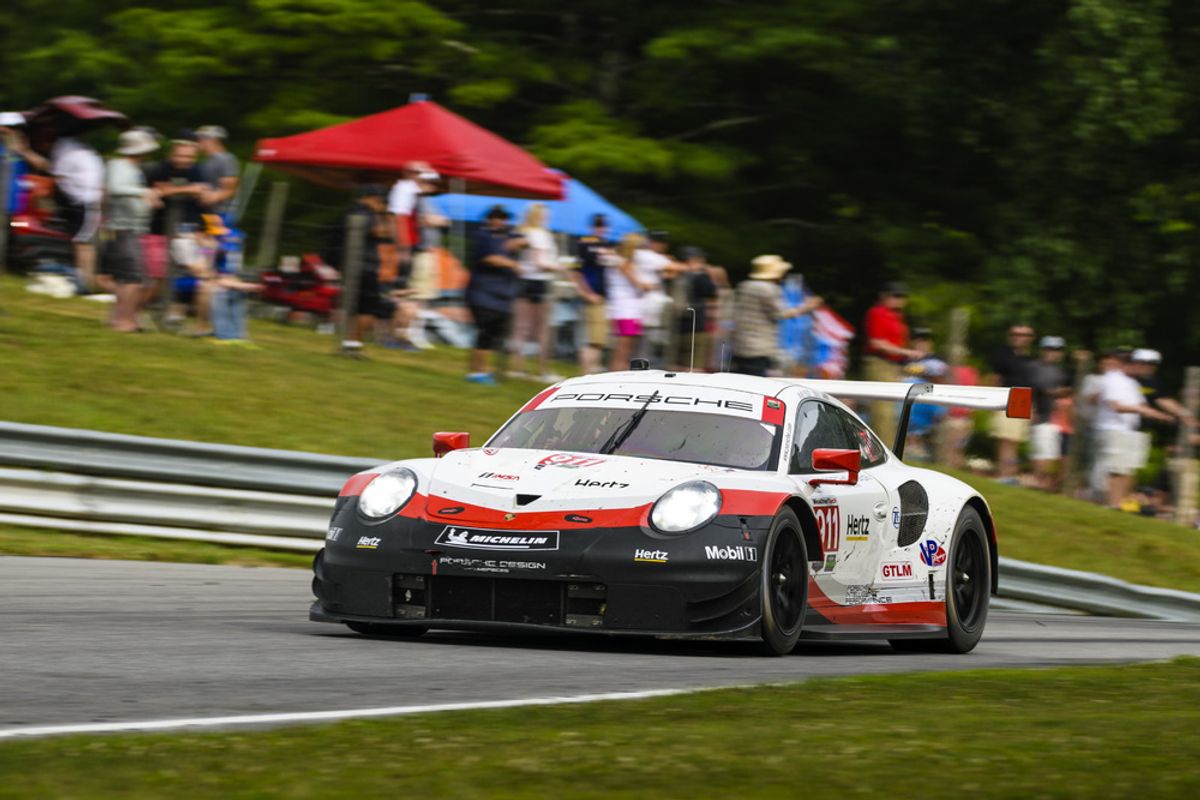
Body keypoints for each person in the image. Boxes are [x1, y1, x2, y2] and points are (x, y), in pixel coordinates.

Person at [11, 122, 104, 291]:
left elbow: (49, 170)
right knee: (81, 242)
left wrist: (25, 152)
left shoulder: (66, 150)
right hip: (79, 200)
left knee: (83, 243)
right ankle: (82, 281)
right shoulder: (73, 148)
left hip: (85, 201)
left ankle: (84, 284)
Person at [1095, 351, 1175, 508]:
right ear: (1130, 364)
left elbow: (1143, 405)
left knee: (1128, 469)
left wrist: (1162, 415)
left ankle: (1123, 504)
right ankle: (1113, 504)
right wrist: (1144, 410)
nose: (1144, 368)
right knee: (1117, 469)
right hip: (1115, 429)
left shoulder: (1133, 383)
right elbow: (1116, 406)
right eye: (1141, 364)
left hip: (1130, 430)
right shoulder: (1113, 379)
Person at [100, 129, 159, 332]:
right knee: (132, 279)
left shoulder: (132, 168)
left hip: (130, 229)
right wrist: (143, 192)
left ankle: (119, 319)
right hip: (124, 229)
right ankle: (123, 321)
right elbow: (116, 188)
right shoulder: (119, 165)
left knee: (127, 279)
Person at [730, 255, 822, 377]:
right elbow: (781, 313)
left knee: (741, 376)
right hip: (759, 347)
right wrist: (807, 307)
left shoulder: (744, 286)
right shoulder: (769, 289)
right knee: (756, 379)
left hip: (740, 343)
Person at [465, 205, 524, 384]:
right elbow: (488, 258)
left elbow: (525, 240)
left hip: (502, 296)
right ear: (489, 219)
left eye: (503, 218)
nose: (501, 221)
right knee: (485, 332)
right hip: (483, 293)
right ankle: (476, 372)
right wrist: (512, 264)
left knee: (493, 335)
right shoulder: (482, 235)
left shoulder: (509, 234)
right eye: (497, 217)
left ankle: (484, 370)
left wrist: (519, 242)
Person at [341, 184, 402, 351]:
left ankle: (351, 342)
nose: (382, 205)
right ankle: (353, 344)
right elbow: (383, 232)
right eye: (381, 201)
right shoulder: (363, 213)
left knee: (359, 307)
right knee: (368, 308)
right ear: (372, 199)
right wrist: (388, 216)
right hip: (364, 266)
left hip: (357, 264)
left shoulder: (353, 211)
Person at [862, 282, 922, 446]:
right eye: (895, 295)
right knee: (882, 412)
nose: (898, 299)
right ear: (884, 296)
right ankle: (883, 448)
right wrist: (906, 352)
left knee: (891, 412)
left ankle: (886, 447)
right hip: (880, 363)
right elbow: (877, 343)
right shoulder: (877, 313)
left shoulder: (897, 317)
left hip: (893, 365)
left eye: (901, 296)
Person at [508, 203, 562, 381]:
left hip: (525, 281)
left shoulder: (524, 232)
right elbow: (540, 263)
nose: (547, 218)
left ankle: (517, 367)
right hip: (539, 282)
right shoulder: (540, 234)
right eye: (544, 215)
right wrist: (560, 267)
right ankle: (543, 370)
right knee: (542, 329)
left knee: (522, 327)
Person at [988, 324, 1036, 480]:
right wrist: (993, 401)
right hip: (1007, 397)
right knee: (1005, 438)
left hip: (1023, 399)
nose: (1017, 337)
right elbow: (995, 379)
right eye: (1014, 334)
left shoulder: (1030, 360)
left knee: (1015, 439)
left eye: (1022, 335)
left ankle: (1010, 473)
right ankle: (1004, 473)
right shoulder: (1002, 354)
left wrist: (1032, 406)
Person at [1028, 336, 1072, 491]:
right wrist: (1064, 391)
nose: (1053, 353)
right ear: (1042, 350)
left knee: (1052, 455)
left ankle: (1045, 485)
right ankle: (1039, 483)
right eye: (1050, 349)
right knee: (1043, 454)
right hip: (1042, 417)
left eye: (1057, 350)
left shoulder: (1062, 371)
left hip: (1058, 420)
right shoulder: (1035, 368)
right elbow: (1046, 389)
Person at [572, 214, 614, 375]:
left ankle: (590, 372)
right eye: (598, 225)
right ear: (592, 227)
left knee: (599, 339)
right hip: (593, 296)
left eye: (603, 225)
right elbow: (577, 271)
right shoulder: (585, 243)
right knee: (594, 340)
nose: (601, 229)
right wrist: (586, 293)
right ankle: (586, 374)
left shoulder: (606, 244)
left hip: (603, 296)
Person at [669, 246, 719, 371]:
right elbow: (713, 292)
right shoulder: (699, 277)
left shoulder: (671, 274)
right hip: (695, 327)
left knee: (674, 367)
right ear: (693, 260)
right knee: (694, 367)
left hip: (674, 326)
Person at [606, 233, 650, 372]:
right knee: (623, 347)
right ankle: (616, 372)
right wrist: (647, 285)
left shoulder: (621, 261)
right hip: (625, 309)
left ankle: (621, 370)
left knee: (627, 347)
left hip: (628, 308)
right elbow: (638, 284)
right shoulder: (624, 263)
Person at [195, 125, 239, 218]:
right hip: (209, 212)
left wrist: (215, 196)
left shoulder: (226, 159)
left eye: (199, 139)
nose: (197, 143)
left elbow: (231, 189)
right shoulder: (206, 161)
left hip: (222, 213)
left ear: (212, 140)